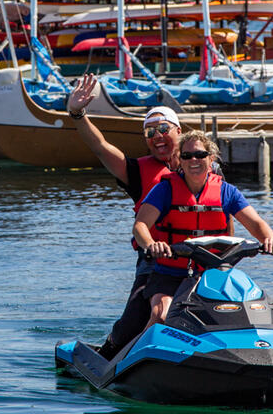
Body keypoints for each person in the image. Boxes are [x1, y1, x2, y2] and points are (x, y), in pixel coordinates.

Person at [66, 73, 184, 357]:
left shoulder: (203, 167)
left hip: (199, 259)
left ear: (179, 131)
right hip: (154, 262)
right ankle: (113, 351)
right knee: (135, 320)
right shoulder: (137, 171)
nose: (157, 137)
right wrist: (77, 114)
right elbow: (100, 147)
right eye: (150, 132)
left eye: (163, 128)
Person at [133, 129, 273, 328]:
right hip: (170, 273)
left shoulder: (227, 192)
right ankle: (144, 354)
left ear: (211, 158)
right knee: (162, 314)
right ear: (180, 160)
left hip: (214, 274)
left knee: (243, 314)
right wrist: (152, 244)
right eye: (187, 156)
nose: (193, 160)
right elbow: (140, 225)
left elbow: (256, 224)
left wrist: (269, 239)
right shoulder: (164, 190)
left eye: (200, 155)